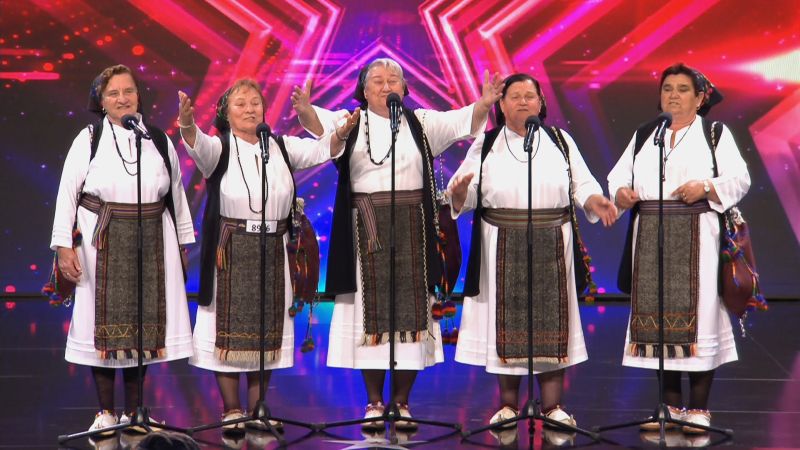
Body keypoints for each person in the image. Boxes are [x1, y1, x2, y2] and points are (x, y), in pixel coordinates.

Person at [292, 57, 503, 429]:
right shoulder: (350, 120)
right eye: (377, 79)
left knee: (413, 318)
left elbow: (461, 121)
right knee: (367, 318)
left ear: (404, 89)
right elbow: (319, 125)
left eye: (394, 79)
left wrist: (484, 104)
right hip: (365, 228)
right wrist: (306, 110)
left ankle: (402, 402)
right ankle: (374, 402)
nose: (386, 84)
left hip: (413, 228)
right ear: (363, 89)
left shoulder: (421, 123)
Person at [177, 79, 357, 431]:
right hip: (231, 250)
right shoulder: (219, 148)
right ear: (226, 112)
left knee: (267, 330)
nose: (250, 109)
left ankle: (259, 408)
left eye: (255, 103)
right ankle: (232, 411)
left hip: (275, 247)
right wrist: (186, 123)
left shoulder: (280, 146)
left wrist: (341, 134)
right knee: (225, 331)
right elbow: (196, 144)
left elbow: (322, 150)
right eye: (241, 103)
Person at [446, 73, 618, 429]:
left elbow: (582, 183)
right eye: (515, 96)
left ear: (541, 103)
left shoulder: (560, 140)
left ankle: (553, 407)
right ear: (502, 104)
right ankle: (508, 406)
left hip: (552, 241)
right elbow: (465, 190)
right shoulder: (487, 143)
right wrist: (460, 193)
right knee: (505, 325)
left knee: (551, 325)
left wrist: (594, 200)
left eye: (530, 95)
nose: (523, 101)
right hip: (500, 241)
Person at [50, 64, 195, 435]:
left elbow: (176, 194)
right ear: (101, 100)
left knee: (143, 327)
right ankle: (105, 413)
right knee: (101, 327)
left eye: (128, 91)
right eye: (113, 93)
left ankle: (134, 413)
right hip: (101, 242)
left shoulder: (157, 139)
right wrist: (63, 245)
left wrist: (182, 243)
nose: (122, 99)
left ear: (138, 95)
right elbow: (67, 192)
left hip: (152, 239)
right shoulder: (89, 138)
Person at [607, 62, 751, 433]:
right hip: (649, 234)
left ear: (700, 98)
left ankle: (699, 409)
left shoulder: (714, 133)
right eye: (667, 88)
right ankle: (668, 406)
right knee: (658, 322)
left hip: (696, 234)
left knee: (699, 319)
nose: (673, 95)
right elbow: (619, 175)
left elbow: (740, 178)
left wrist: (706, 187)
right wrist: (621, 192)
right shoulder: (646, 133)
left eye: (683, 89)